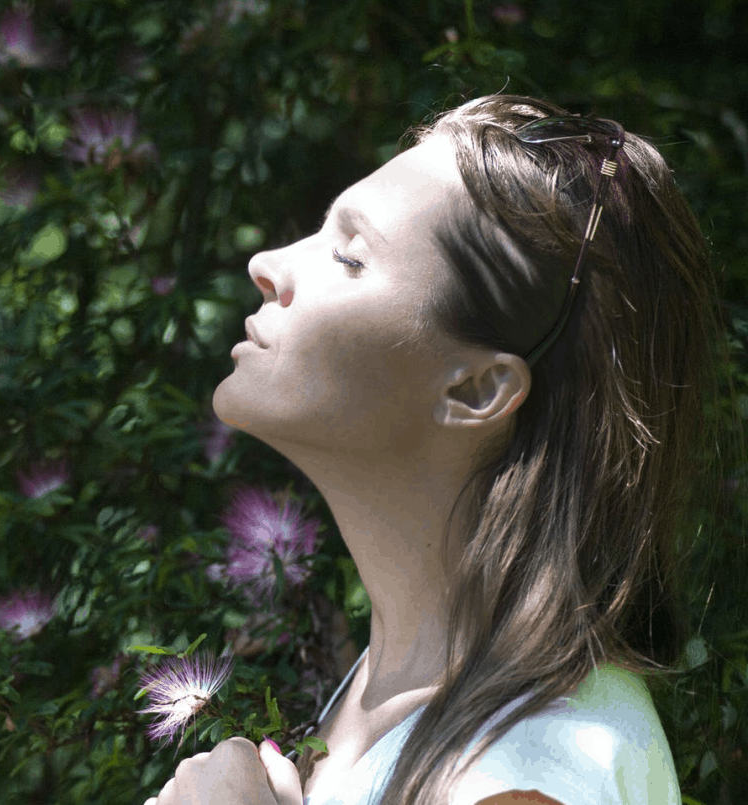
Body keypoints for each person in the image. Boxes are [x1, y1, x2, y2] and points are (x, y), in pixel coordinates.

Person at [144, 94, 718, 805]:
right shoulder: (406, 687)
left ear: (476, 389)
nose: (267, 263)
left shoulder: (528, 768)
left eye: (349, 255)